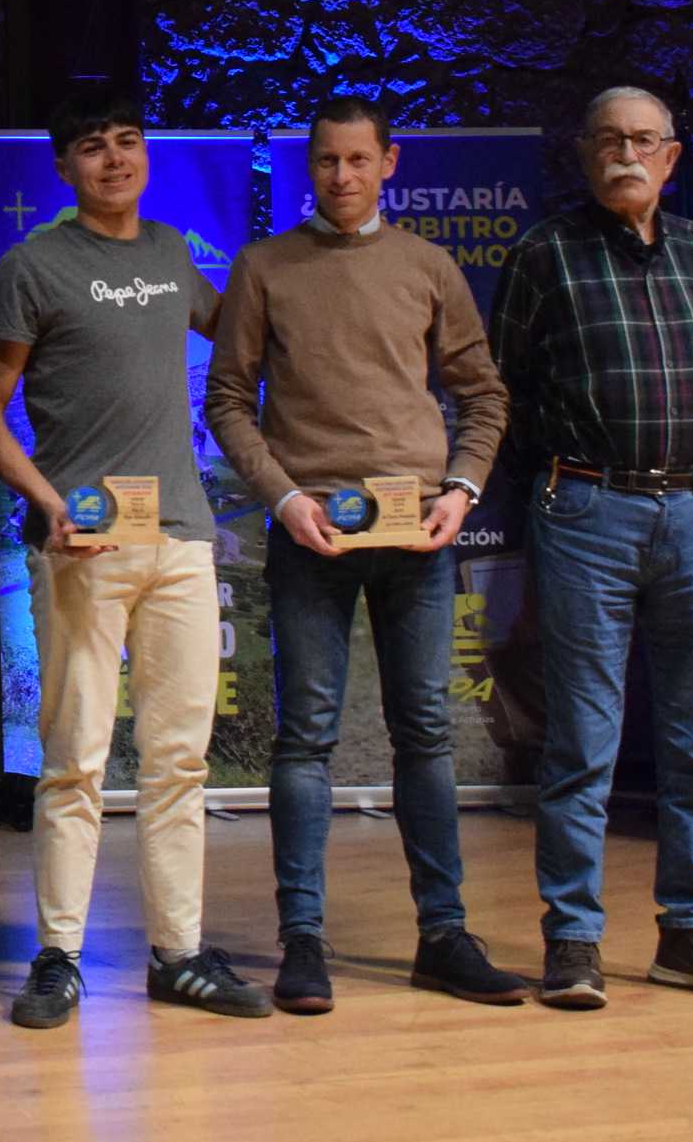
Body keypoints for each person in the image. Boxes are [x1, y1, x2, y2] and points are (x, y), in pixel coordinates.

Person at [205, 94, 527, 1014]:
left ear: (390, 162)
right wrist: (285, 497)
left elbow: (483, 393)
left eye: (356, 160)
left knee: (424, 732)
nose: (339, 177)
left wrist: (461, 490)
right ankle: (302, 943)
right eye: (324, 162)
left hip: (416, 536)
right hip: (312, 535)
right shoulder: (265, 266)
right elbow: (227, 397)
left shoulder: (429, 267)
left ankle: (444, 935)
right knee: (304, 738)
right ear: (308, 169)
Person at [0, 83, 273, 1029]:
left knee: (181, 763)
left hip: (183, 538)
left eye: (129, 142)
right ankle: (60, 957)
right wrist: (46, 503)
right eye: (93, 148)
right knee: (74, 762)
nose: (116, 160)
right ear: (64, 167)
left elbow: (249, 334)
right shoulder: (32, 265)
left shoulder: (168, 255)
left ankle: (178, 954)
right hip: (83, 545)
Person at [490, 86, 693, 1004]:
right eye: (610, 138)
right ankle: (572, 936)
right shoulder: (545, 255)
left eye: (645, 140)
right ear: (583, 153)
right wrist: (566, 477)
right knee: (583, 738)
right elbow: (506, 389)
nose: (627, 153)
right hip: (589, 513)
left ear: (672, 158)